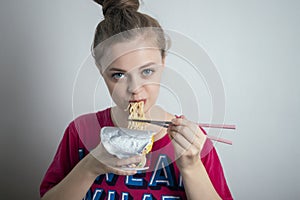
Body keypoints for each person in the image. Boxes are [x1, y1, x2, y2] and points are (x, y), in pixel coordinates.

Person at [40, 0, 233, 199]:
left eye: (147, 71)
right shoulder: (80, 132)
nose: (135, 89)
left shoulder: (191, 142)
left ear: (163, 61)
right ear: (100, 70)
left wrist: (191, 167)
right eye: (118, 75)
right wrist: (90, 167)